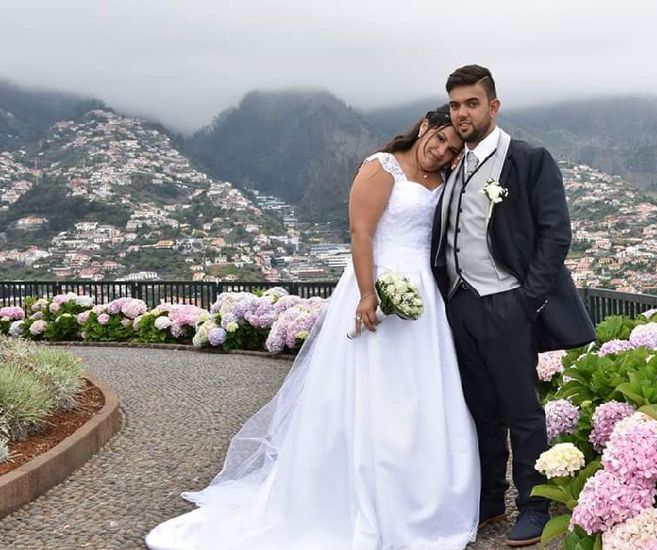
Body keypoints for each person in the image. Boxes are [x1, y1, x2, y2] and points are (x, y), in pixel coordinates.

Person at [146, 105, 481, 550]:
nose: (441, 152)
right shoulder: (382, 167)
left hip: (423, 303)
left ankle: (419, 500)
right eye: (438, 140)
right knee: (365, 393)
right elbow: (361, 233)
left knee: (420, 396)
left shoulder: (444, 182)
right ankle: (349, 499)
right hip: (375, 286)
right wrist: (368, 294)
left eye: (451, 150)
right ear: (424, 127)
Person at [430, 65, 596, 547]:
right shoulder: (453, 165)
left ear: (493, 107)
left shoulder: (527, 158)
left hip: (508, 304)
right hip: (460, 305)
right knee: (479, 411)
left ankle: (535, 506)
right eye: (456, 105)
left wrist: (528, 301)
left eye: (471, 104)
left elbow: (555, 232)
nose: (462, 113)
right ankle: (486, 502)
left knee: (522, 411)